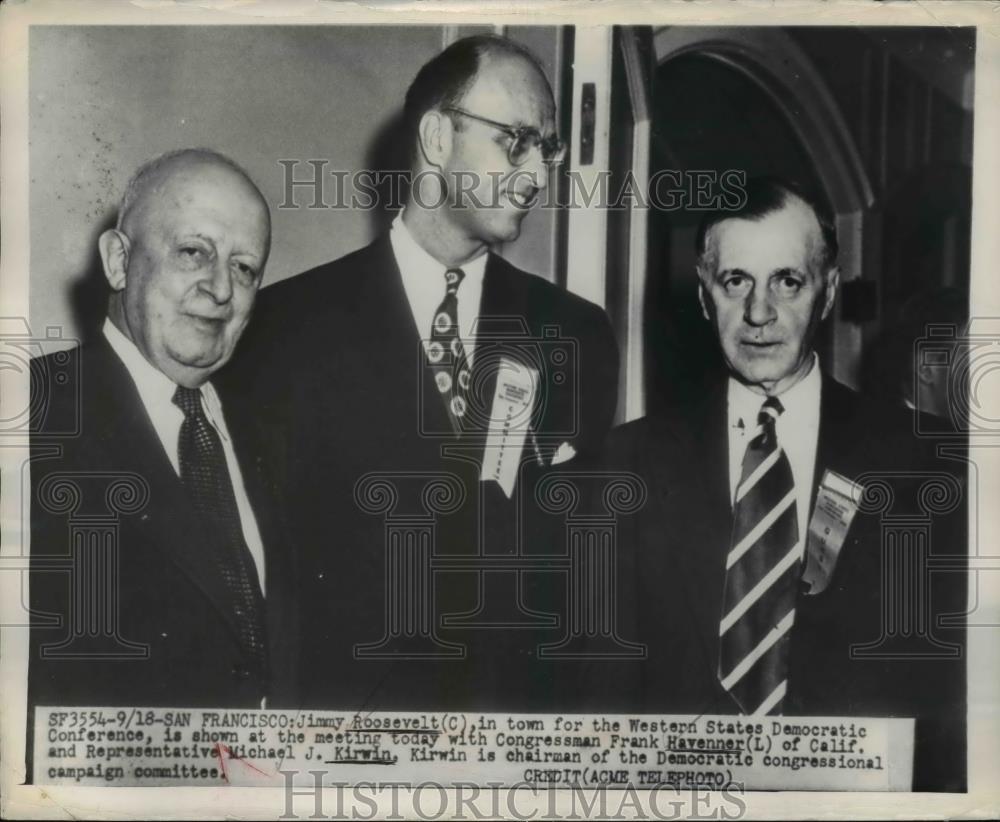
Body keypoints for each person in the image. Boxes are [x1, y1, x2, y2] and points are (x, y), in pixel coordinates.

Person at [225, 34, 619, 711]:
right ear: (437, 137)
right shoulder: (284, 330)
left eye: (546, 150)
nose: (537, 174)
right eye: (516, 141)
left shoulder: (576, 333)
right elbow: (269, 578)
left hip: (516, 753)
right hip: (348, 750)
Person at [593, 177, 966, 791]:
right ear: (704, 297)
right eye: (736, 280)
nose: (759, 313)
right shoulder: (624, 464)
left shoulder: (930, 465)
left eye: (787, 281)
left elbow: (950, 707)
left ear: (827, 295)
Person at [28, 149, 297, 724]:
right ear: (119, 261)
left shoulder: (283, 433)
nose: (221, 288)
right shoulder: (32, 415)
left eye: (245, 268)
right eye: (193, 252)